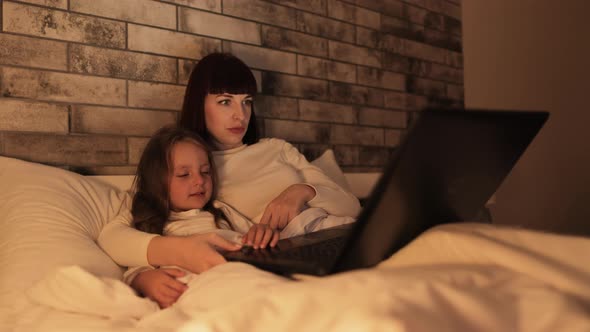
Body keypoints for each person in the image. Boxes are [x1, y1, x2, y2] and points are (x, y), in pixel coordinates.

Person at [98, 52, 361, 303]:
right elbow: (119, 234)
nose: (241, 114)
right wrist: (152, 269)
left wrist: (300, 191)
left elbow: (351, 206)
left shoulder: (277, 149)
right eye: (225, 101)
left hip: (335, 233)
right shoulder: (180, 164)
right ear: (198, 104)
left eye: (246, 101)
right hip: (287, 259)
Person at [121, 124, 281, 308]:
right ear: (157, 183)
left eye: (205, 172)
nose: (199, 180)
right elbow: (133, 269)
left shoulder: (221, 211)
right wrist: (144, 280)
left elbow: (252, 237)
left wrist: (262, 233)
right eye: (184, 174)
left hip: (244, 277)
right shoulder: (155, 225)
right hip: (197, 289)